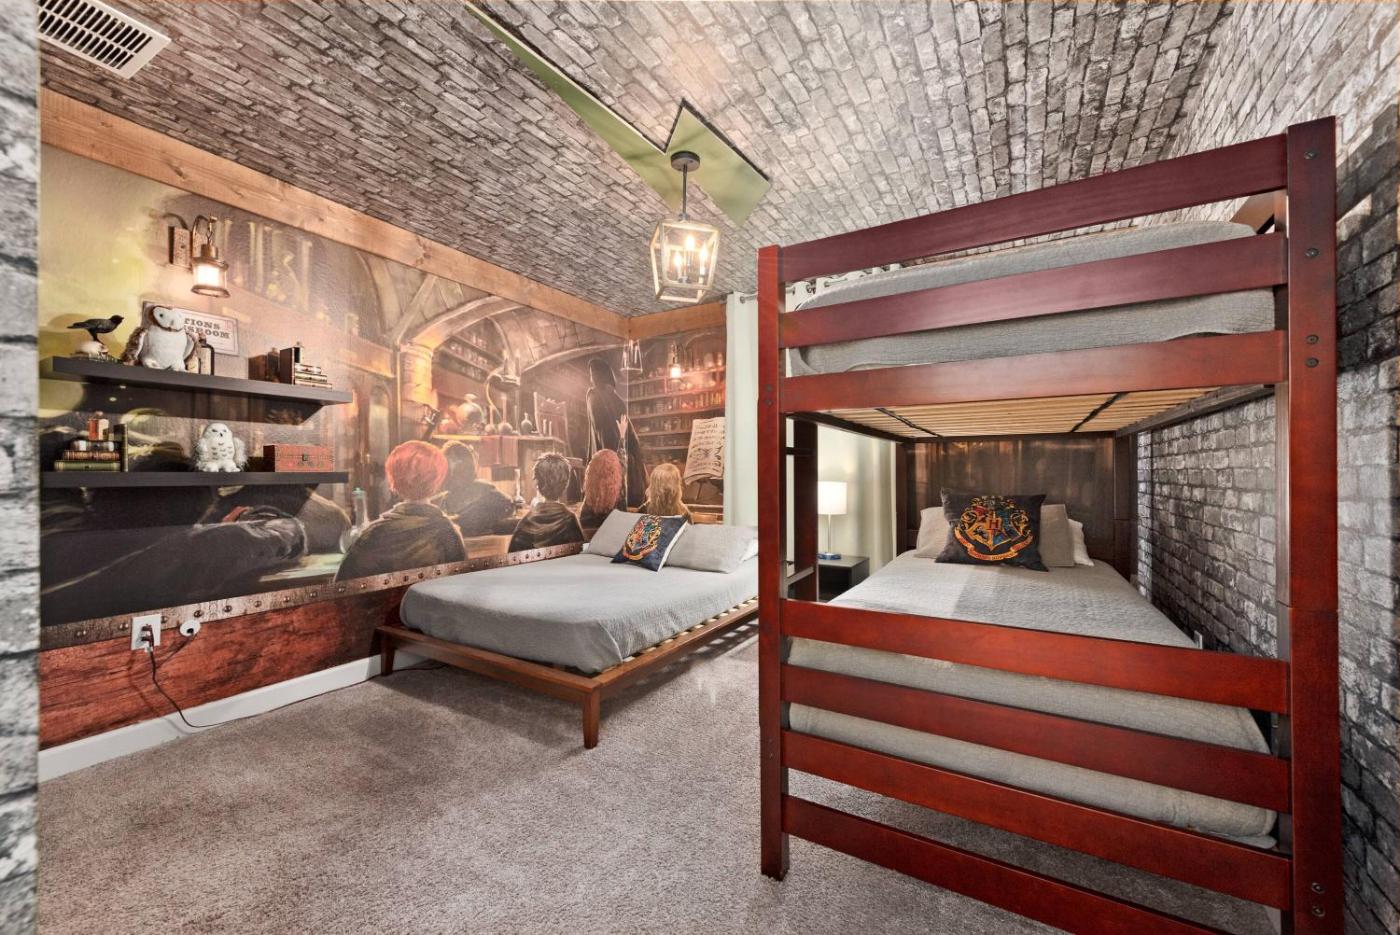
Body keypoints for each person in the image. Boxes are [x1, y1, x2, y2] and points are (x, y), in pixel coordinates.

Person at [336, 441, 465, 581]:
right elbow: (459, 584)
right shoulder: (447, 531)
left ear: (394, 482)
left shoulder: (373, 534)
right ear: (437, 481)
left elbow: (342, 585)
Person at [585, 357, 646, 506]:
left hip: (606, 455)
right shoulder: (618, 400)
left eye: (592, 375)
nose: (591, 379)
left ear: (597, 376)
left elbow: (599, 427)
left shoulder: (593, 396)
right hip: (624, 455)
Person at [508, 452, 584, 552]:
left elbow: (513, 555)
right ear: (566, 484)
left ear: (536, 483)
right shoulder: (570, 520)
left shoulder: (526, 522)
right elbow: (580, 554)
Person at [440, 441, 513, 537]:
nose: (450, 473)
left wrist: (458, 519)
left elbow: (508, 503)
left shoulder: (488, 493)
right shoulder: (447, 498)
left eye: (457, 464)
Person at [579, 448, 623, 533]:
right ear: (615, 471)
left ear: (592, 471)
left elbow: (583, 524)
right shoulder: (619, 498)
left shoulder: (589, 495)